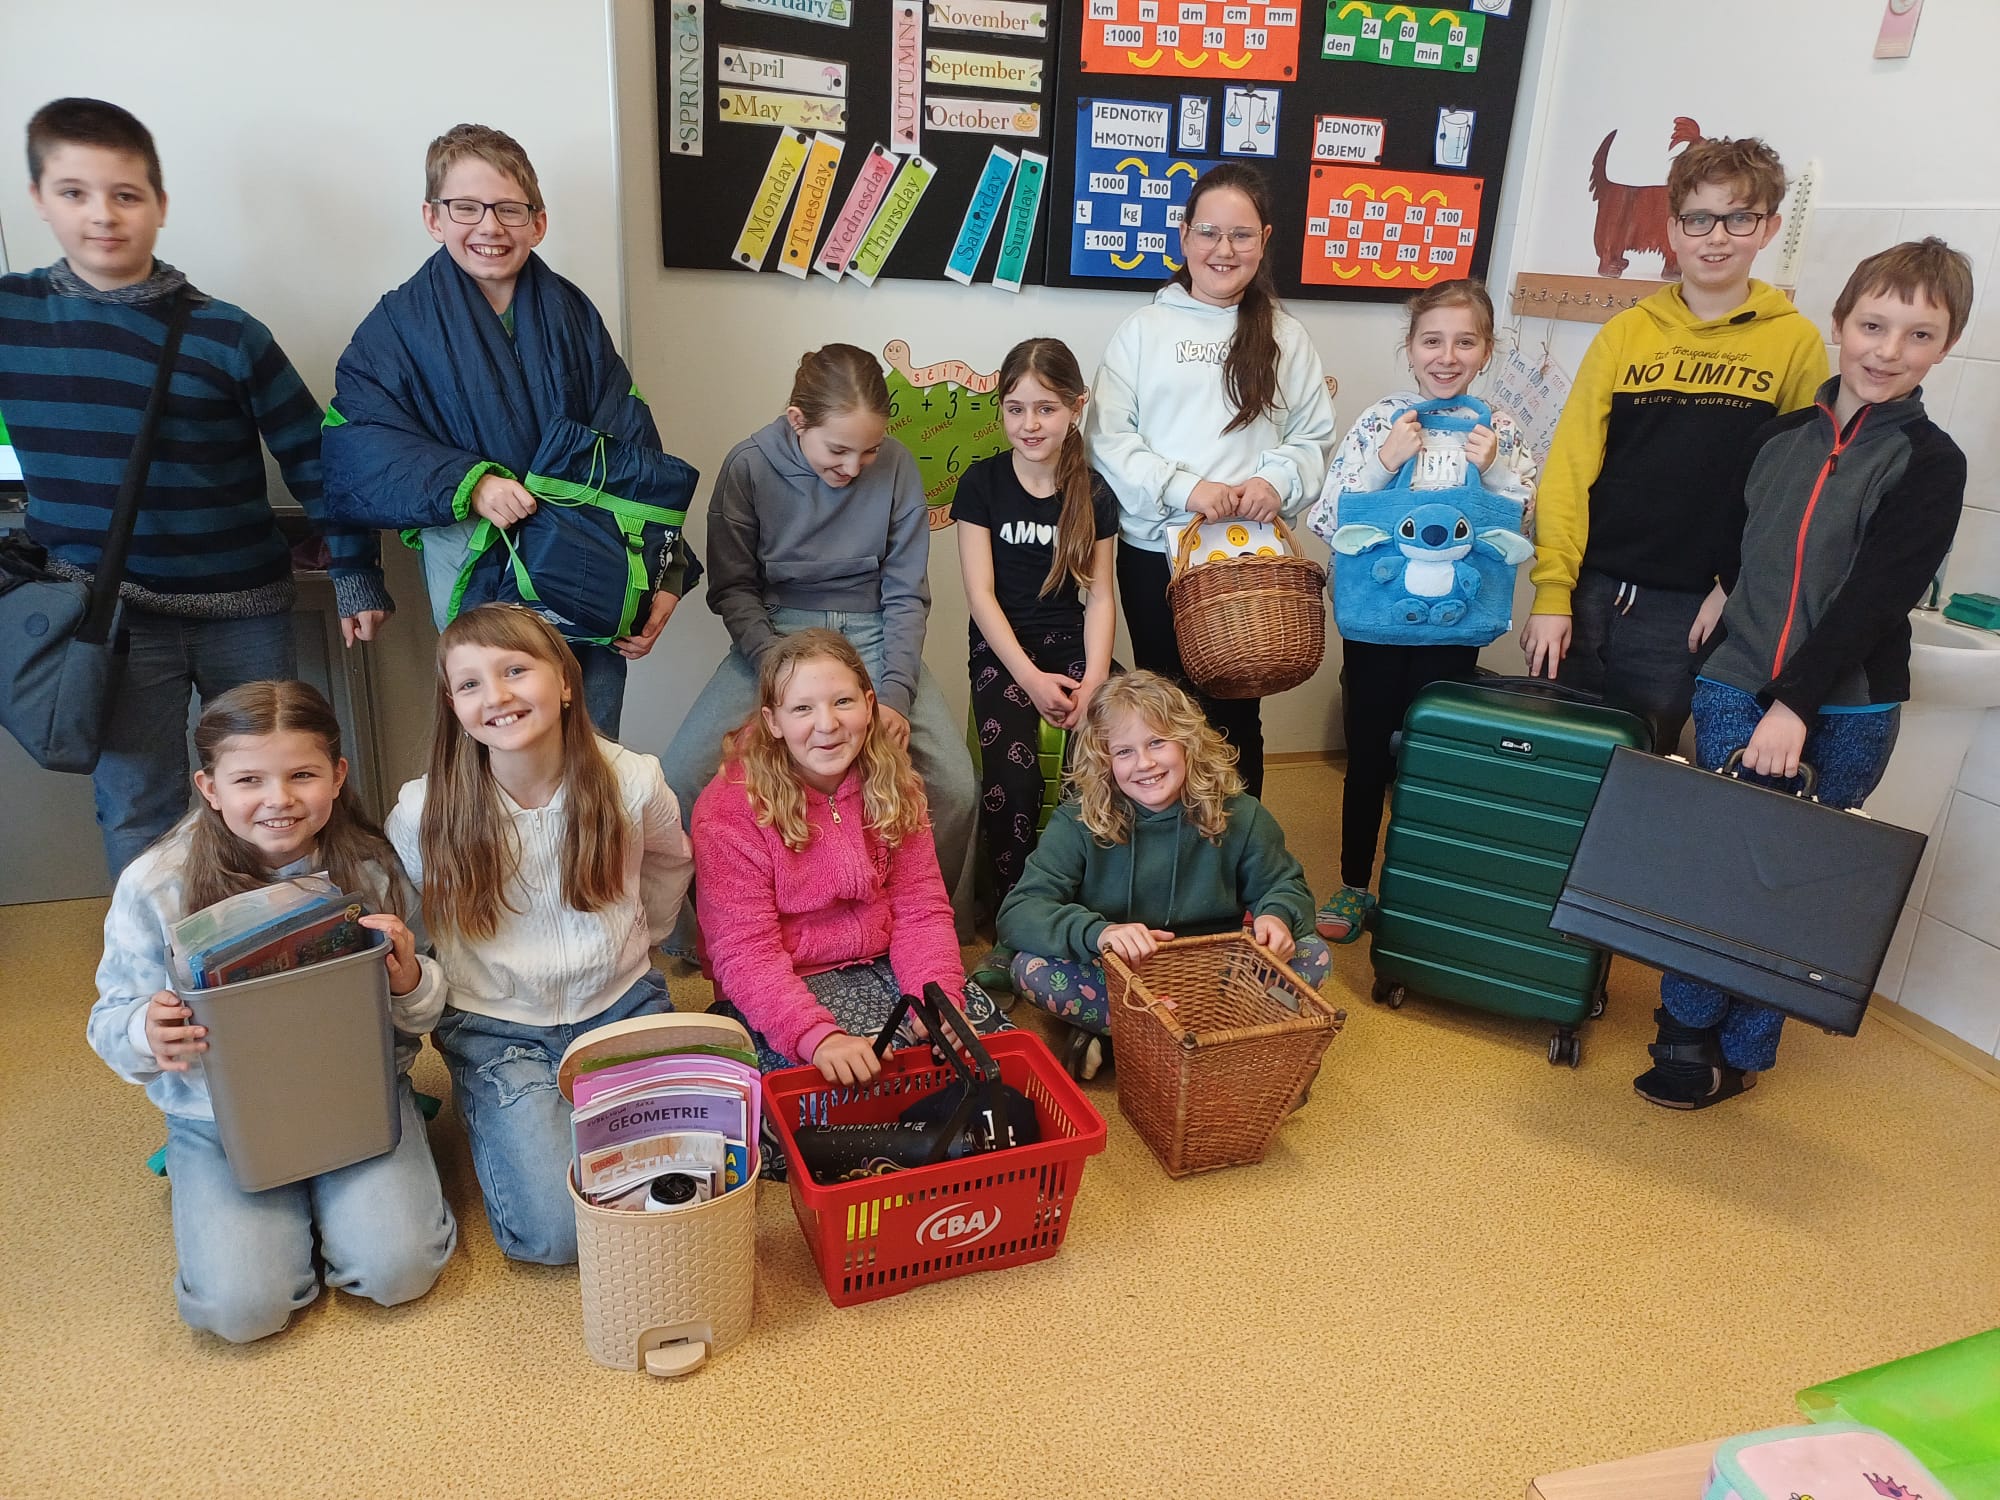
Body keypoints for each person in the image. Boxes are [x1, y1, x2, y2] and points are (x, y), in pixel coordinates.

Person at [0, 98, 392, 878]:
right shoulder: (12, 319)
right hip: (106, 618)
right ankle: (162, 952)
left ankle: (274, 939)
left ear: (160, 203)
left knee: (273, 797)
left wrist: (355, 570)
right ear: (39, 199)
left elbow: (319, 460)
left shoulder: (228, 334)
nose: (102, 214)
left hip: (244, 612)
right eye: (75, 192)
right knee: (137, 803)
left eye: (125, 194)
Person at [1636, 238, 1971, 1110]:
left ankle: (1744, 1051)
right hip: (1736, 679)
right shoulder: (1778, 438)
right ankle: (1683, 1030)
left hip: (1847, 708)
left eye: (1919, 335)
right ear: (1841, 321)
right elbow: (1739, 530)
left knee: (1790, 879)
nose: (1888, 351)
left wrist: (1793, 705)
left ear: (1946, 345)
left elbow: (1875, 598)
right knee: (1721, 860)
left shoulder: (1932, 463)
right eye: (1873, 325)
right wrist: (1724, 585)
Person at [87, 681, 454, 1342]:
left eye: (302, 775)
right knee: (243, 1310)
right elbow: (109, 1019)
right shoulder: (157, 883)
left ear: (337, 776)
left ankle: (342, 1200)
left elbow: (425, 1006)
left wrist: (408, 981)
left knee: (399, 1270)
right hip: (220, 1118)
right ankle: (235, 1193)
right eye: (249, 779)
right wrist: (144, 1031)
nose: (278, 799)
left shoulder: (374, 869)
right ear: (209, 787)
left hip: (353, 1099)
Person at [321, 123, 693, 738]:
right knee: (498, 745)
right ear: (433, 217)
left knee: (592, 744)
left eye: (509, 210)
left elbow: (629, 439)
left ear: (538, 223)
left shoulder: (572, 313)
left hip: (587, 569)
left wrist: (666, 571)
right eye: (466, 207)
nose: (489, 227)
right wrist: (467, 485)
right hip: (474, 568)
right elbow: (354, 444)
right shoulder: (396, 325)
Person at [386, 604, 691, 1263]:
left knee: (676, 1189)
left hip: (621, 1006)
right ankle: (517, 1113)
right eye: (470, 684)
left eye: (515, 670)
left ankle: (567, 1118)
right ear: (453, 705)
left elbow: (670, 863)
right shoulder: (424, 810)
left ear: (566, 682)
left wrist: (642, 938)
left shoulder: (632, 780)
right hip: (497, 1028)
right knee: (556, 1235)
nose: (496, 696)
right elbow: (410, 917)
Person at [662, 344, 979, 944]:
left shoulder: (899, 466)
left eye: (870, 451)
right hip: (777, 634)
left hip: (873, 630)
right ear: (797, 420)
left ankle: (928, 929)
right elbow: (733, 590)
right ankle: (701, 937)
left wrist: (894, 695)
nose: (854, 467)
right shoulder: (748, 466)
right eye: (838, 450)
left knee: (955, 785)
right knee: (680, 776)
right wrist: (781, 675)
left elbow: (906, 593)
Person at [1520, 136, 1828, 753]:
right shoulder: (1625, 334)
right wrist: (1552, 590)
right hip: (1589, 587)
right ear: (1672, 229)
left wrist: (1732, 586)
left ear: (1768, 229)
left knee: (1642, 757)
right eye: (1699, 219)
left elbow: (1794, 495)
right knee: (1553, 753)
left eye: (1739, 218)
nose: (1717, 237)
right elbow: (1571, 468)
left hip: (1692, 605)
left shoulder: (1796, 344)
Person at [692, 630, 1009, 1171]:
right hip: (787, 984)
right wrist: (817, 1038)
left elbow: (922, 910)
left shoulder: (896, 782)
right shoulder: (727, 809)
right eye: (802, 708)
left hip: (886, 963)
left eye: (842, 701)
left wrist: (938, 998)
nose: (827, 724)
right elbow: (744, 954)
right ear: (772, 721)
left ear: (869, 704)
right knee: (811, 1120)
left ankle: (939, 1148)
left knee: (993, 1066)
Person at [1087, 162, 1336, 797]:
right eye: (1209, 232)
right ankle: (1171, 841)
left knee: (1234, 715)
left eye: (1242, 235)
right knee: (1164, 711)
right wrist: (1184, 489)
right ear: (1184, 235)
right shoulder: (1143, 331)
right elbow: (1109, 439)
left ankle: (1237, 846)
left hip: (1245, 557)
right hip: (1157, 554)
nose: (1224, 249)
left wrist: (1275, 481)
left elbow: (1313, 437)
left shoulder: (1285, 336)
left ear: (1265, 239)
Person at [1304, 280, 1536, 943]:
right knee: (1368, 752)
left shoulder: (1499, 429)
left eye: (1465, 342)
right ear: (1409, 348)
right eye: (1432, 340)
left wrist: (1497, 473)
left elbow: (1521, 531)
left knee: (1433, 752)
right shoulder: (1383, 420)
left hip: (1454, 625)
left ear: (1487, 350)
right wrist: (1384, 464)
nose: (1447, 356)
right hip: (1377, 624)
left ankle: (1417, 885)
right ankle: (1354, 884)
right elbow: (1329, 519)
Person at [997, 671, 1333, 1081]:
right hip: (1119, 974)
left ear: (1189, 742)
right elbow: (1019, 913)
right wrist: (1099, 933)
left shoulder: (1241, 814)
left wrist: (1277, 917)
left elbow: (1285, 885)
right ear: (1104, 762)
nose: (1145, 763)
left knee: (1312, 954)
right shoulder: (1077, 822)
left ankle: (1125, 1038)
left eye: (1157, 742)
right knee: (1031, 968)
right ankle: (1211, 1044)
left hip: (1215, 973)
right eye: (1124, 751)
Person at [954, 337, 1119, 985]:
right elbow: (980, 596)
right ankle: (1013, 922)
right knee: (1015, 781)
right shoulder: (982, 483)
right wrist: (1026, 676)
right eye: (1016, 409)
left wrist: (1096, 679)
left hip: (1073, 646)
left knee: (1107, 762)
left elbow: (1100, 596)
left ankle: (1083, 911)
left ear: (1077, 407)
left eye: (1046, 409)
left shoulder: (1093, 492)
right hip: (1003, 650)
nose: (1030, 424)